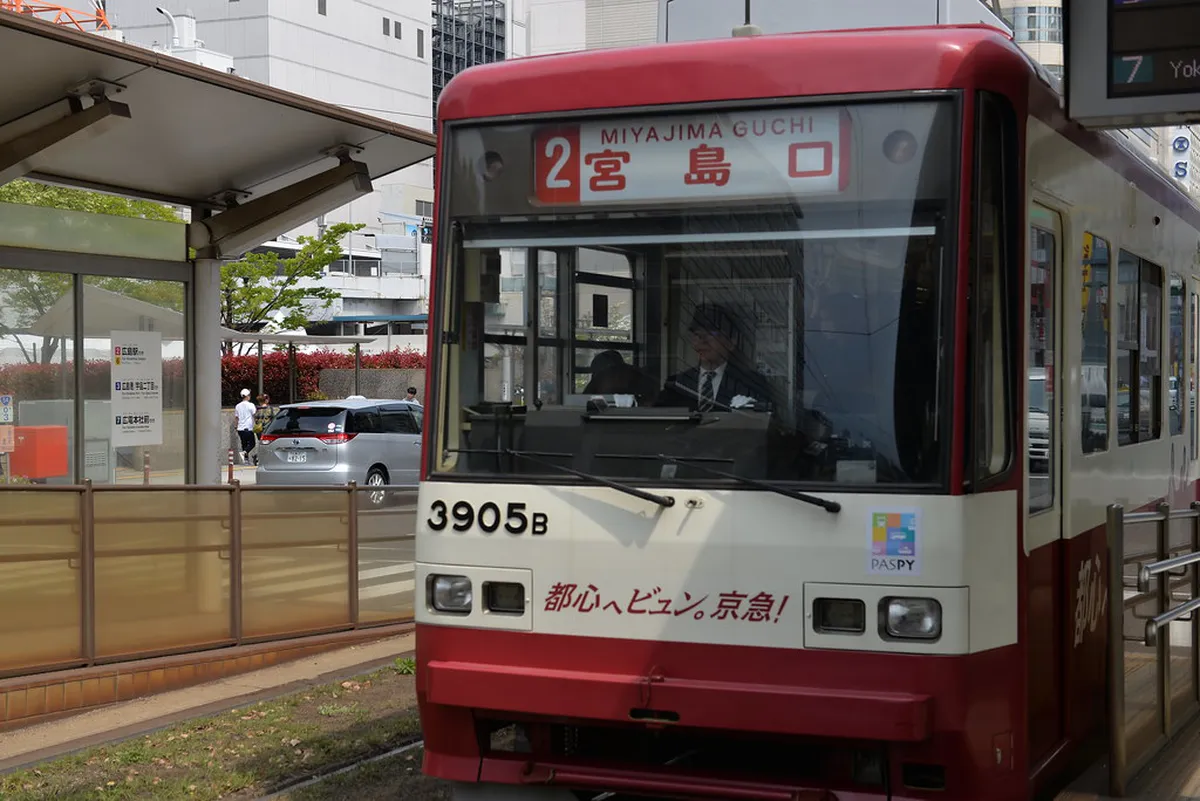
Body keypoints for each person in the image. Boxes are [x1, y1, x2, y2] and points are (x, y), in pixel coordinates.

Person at [656, 303, 771, 412]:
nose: (702, 341)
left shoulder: (752, 383)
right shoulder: (677, 384)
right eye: (697, 335)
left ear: (731, 342)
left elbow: (767, 424)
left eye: (711, 334)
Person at [252, 393, 277, 465]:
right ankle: (260, 456)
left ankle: (257, 456)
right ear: (266, 400)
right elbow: (274, 419)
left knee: (260, 443)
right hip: (267, 430)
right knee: (267, 444)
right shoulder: (270, 409)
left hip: (258, 430)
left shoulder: (257, 409)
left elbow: (255, 419)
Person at [234, 388, 257, 465]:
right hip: (248, 428)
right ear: (247, 396)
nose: (250, 396)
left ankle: (246, 461)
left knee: (244, 444)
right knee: (252, 444)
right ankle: (244, 453)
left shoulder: (237, 406)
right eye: (249, 395)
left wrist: (236, 426)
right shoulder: (251, 405)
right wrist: (256, 423)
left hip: (240, 428)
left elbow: (236, 417)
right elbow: (254, 415)